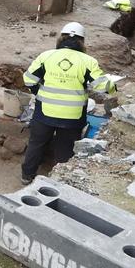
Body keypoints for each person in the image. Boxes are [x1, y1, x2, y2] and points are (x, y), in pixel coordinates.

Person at [21, 22, 117, 184]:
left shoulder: (47, 56)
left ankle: (27, 176)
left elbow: (28, 80)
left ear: (61, 39)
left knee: (36, 144)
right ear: (82, 42)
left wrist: (39, 93)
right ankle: (59, 182)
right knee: (65, 150)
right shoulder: (88, 61)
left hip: (44, 111)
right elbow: (102, 87)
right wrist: (113, 85)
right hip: (72, 117)